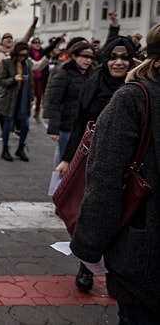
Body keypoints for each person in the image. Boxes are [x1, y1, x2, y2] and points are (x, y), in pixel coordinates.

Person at [70, 22, 160, 324]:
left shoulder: (132, 97)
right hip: (147, 259)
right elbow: (105, 178)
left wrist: (88, 247)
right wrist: (89, 248)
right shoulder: (134, 98)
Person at [55, 35, 136, 293]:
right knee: (91, 216)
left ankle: (120, 274)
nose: (119, 63)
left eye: (125, 57)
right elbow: (80, 125)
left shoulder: (141, 87)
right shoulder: (92, 85)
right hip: (96, 163)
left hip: (133, 167)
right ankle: (86, 266)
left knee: (127, 220)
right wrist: (67, 159)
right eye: (113, 57)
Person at [0, 41, 48, 162]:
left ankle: (20, 148)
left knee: (25, 124)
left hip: (23, 98)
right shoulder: (7, 62)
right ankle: (5, 149)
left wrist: (31, 98)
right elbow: (2, 81)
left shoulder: (28, 63)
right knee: (8, 124)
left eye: (25, 55)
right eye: (20, 55)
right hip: (10, 98)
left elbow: (32, 80)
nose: (22, 57)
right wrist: (13, 79)